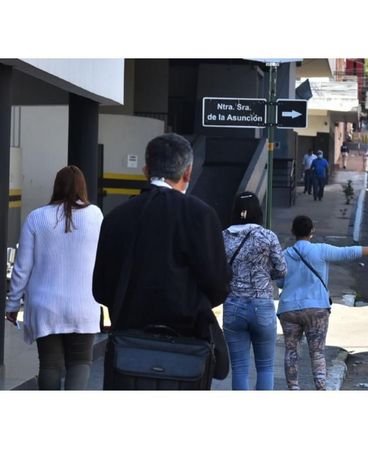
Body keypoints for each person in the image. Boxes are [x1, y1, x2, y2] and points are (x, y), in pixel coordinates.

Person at [93, 133, 231, 389]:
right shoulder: (201, 216)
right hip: (186, 351)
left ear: (146, 170)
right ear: (187, 173)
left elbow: (100, 288)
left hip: (128, 349)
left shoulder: (117, 217)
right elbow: (218, 287)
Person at [5, 166, 103, 390]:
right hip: (84, 304)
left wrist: (12, 304)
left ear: (56, 186)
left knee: (49, 365)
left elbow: (22, 267)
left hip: (45, 305)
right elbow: (105, 259)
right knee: (80, 361)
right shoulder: (96, 216)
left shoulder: (37, 218)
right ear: (83, 187)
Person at [276, 215, 368, 390]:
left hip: (289, 309)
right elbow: (349, 252)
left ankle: (294, 389)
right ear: (312, 232)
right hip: (316, 309)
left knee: (291, 351)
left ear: (292, 232)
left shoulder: (284, 255)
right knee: (317, 352)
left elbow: (280, 282)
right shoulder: (321, 250)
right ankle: (320, 388)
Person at [221, 192, 287, 390]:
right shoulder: (267, 236)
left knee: (240, 369)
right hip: (262, 305)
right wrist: (266, 276)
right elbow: (282, 269)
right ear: (257, 211)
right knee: (266, 367)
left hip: (233, 304)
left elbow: (217, 268)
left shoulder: (223, 236)